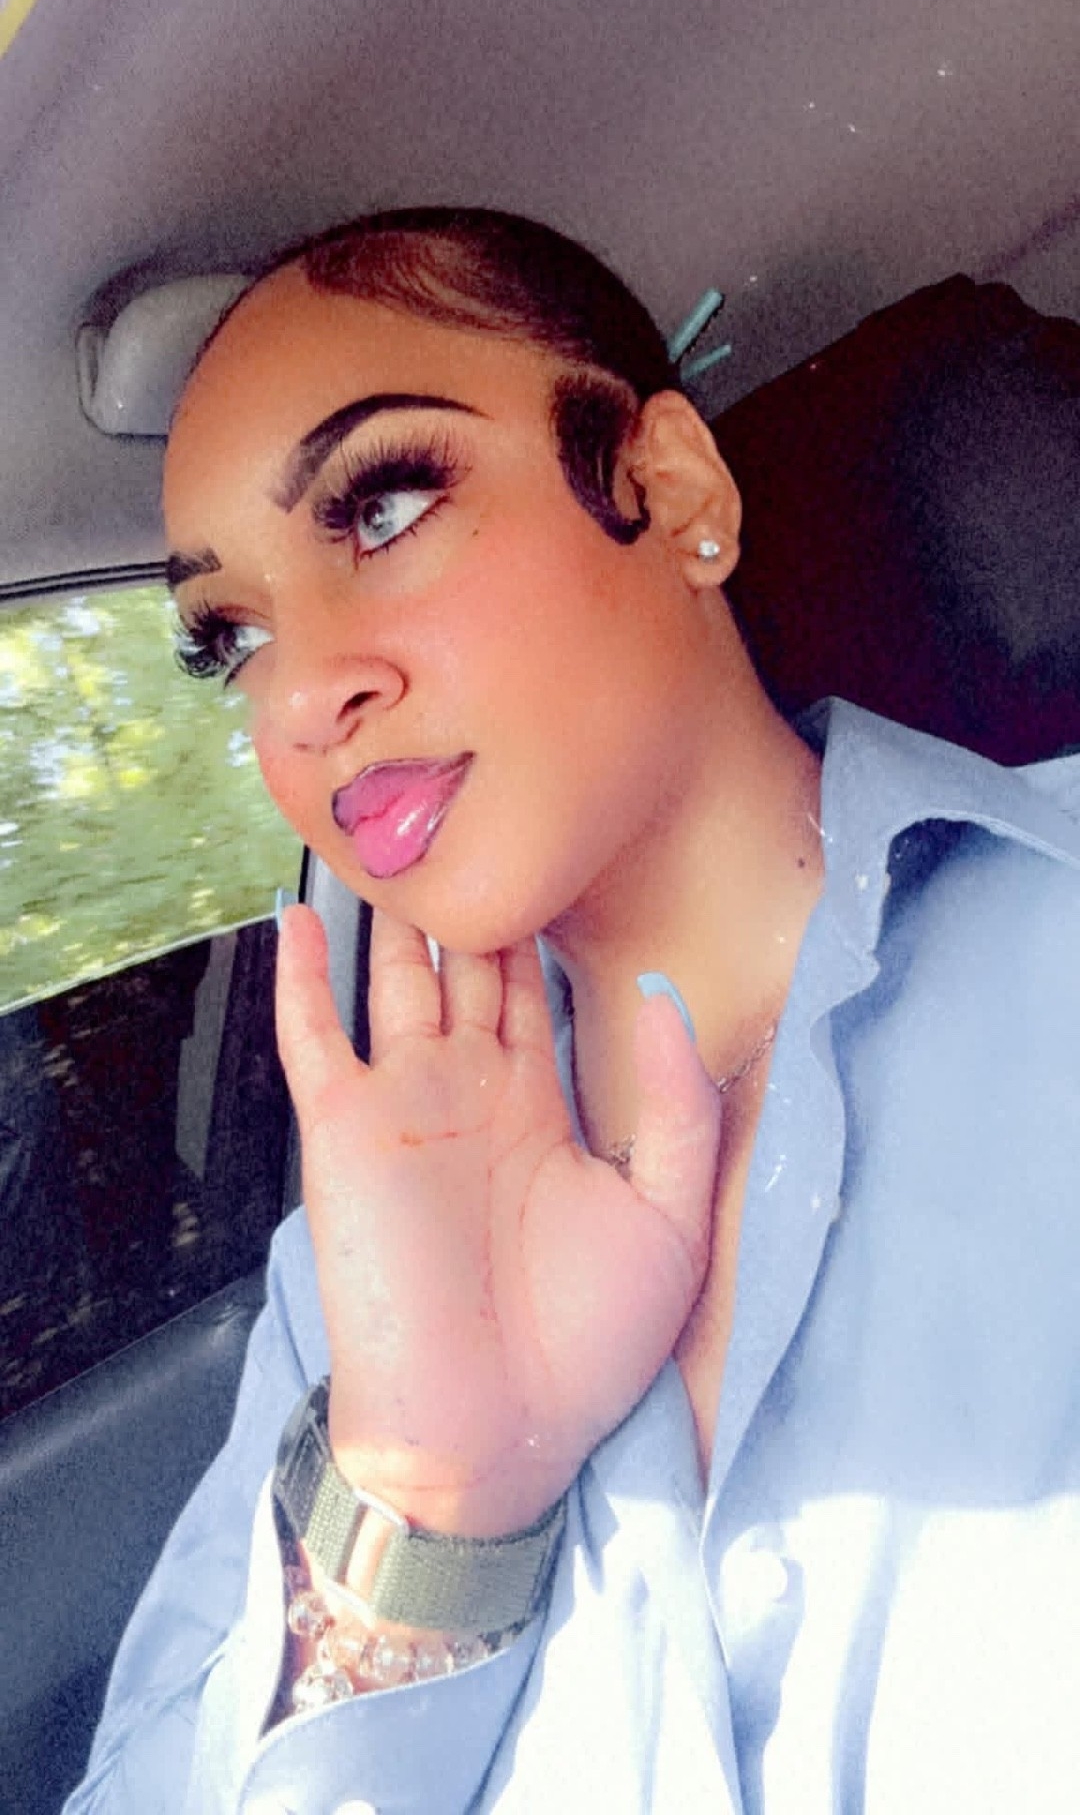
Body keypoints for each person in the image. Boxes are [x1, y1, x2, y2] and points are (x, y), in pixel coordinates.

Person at [67, 209, 1080, 1814]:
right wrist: (433, 1503)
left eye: (383, 506)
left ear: (671, 492)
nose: (301, 696)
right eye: (230, 639)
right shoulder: (367, 1246)